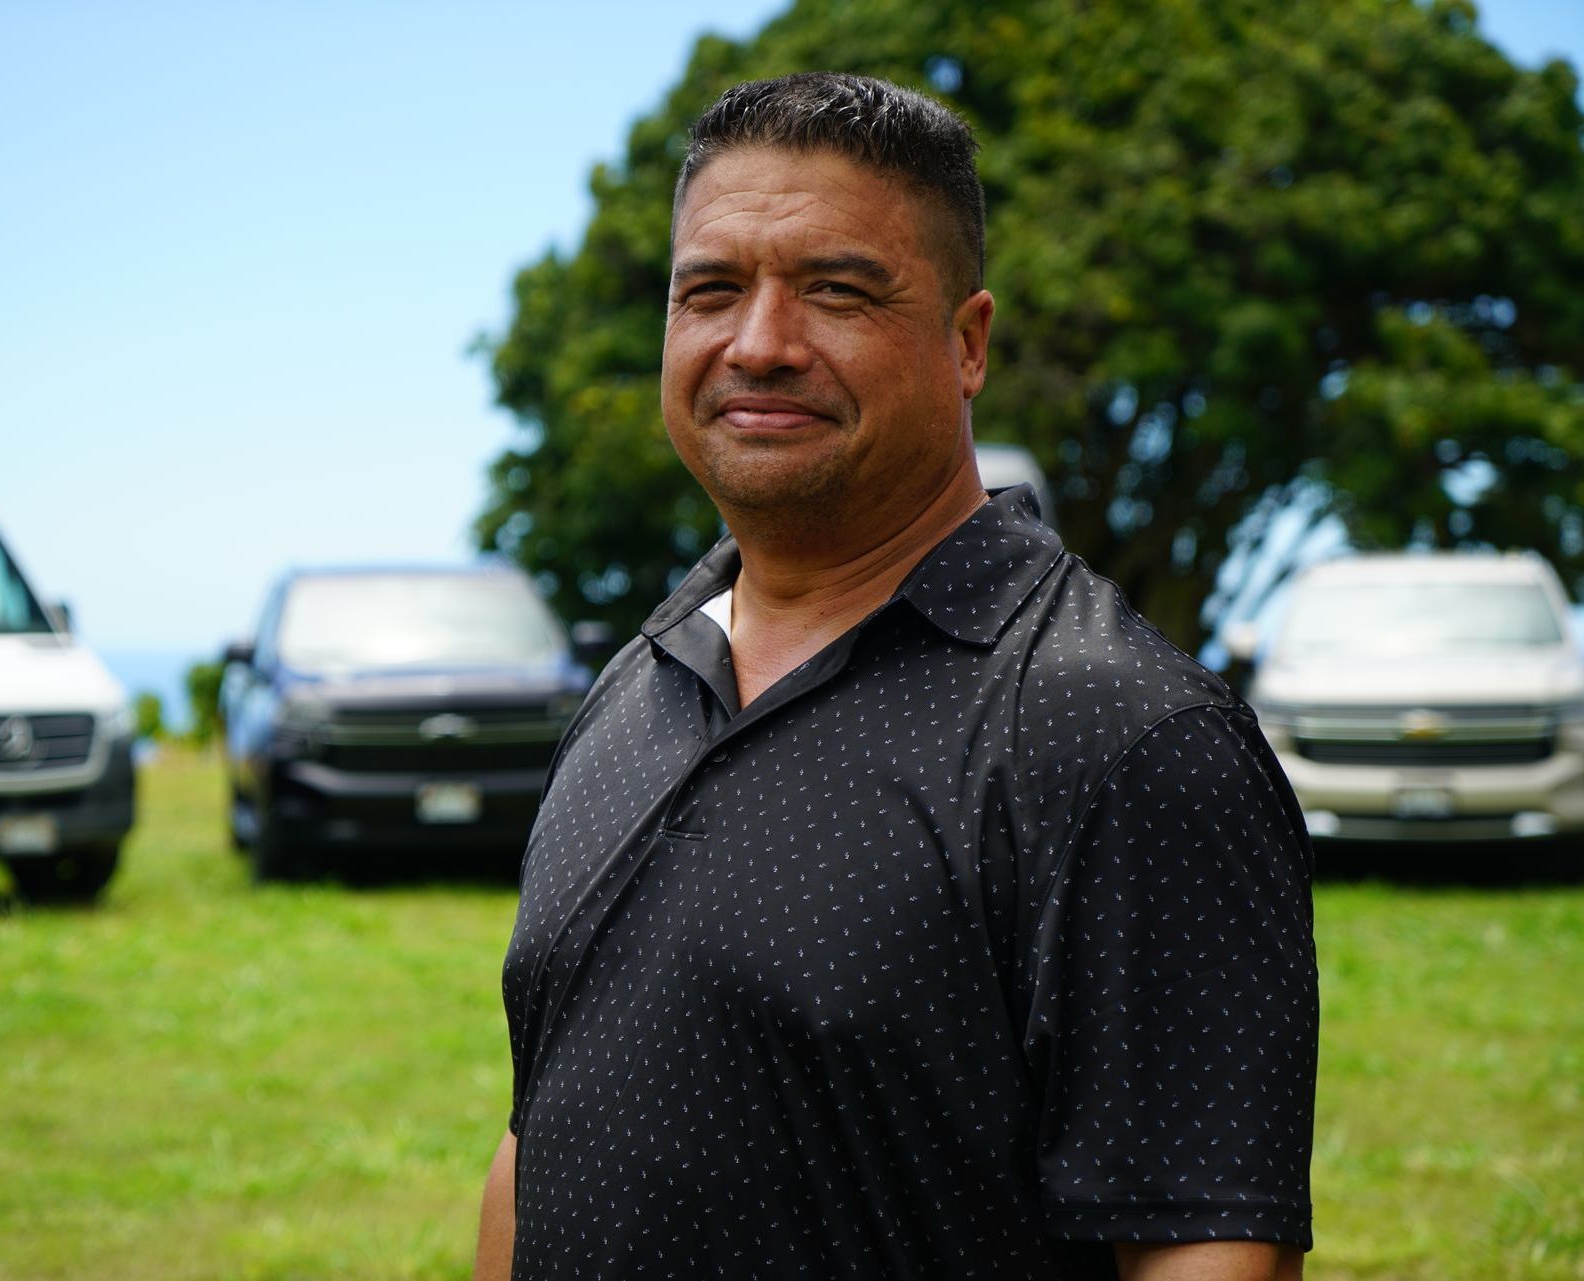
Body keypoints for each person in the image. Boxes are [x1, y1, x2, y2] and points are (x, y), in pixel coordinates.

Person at [475, 72, 1317, 1281]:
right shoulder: (640, 678)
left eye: (836, 291)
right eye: (709, 291)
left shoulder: (1120, 734)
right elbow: (533, 1136)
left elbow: (1204, 1253)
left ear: (965, 344)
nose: (758, 345)